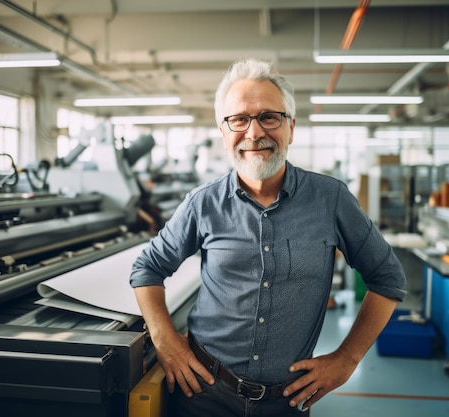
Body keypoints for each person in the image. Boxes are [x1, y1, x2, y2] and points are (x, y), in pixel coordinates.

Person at [130, 58, 407, 417]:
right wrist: (165, 339)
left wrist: (346, 358)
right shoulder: (203, 204)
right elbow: (147, 268)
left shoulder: (331, 200)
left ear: (291, 128)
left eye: (268, 117)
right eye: (239, 119)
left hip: (287, 402)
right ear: (224, 131)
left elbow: (388, 278)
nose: (254, 132)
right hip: (203, 394)